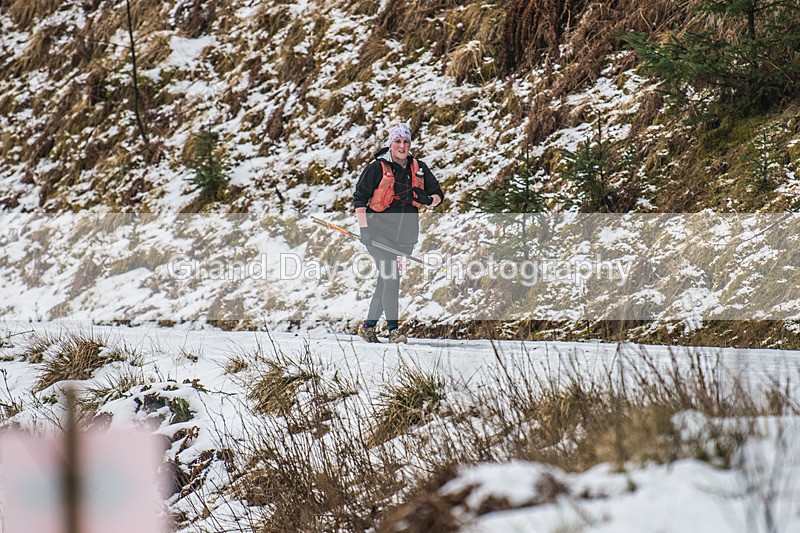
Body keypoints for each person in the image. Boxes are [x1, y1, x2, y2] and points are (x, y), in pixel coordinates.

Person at [353, 123, 444, 343]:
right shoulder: (377, 168)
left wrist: (427, 200)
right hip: (377, 233)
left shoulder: (419, 167)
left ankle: (368, 327)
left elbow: (439, 196)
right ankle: (394, 330)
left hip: (405, 238)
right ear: (390, 144)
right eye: (397, 141)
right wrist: (364, 230)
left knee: (387, 280)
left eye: (405, 141)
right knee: (391, 275)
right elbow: (359, 198)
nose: (402, 146)